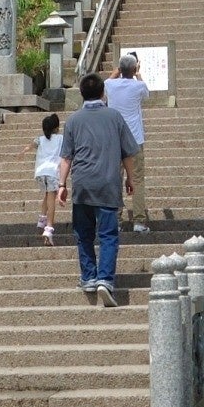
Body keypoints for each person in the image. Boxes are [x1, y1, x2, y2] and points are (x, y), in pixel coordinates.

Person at [60, 71, 139, 302]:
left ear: (82, 94)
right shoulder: (115, 117)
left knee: (83, 234)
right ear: (103, 93)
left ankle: (88, 277)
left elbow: (66, 158)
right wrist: (130, 179)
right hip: (107, 184)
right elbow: (128, 154)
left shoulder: (73, 120)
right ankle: (105, 279)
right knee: (108, 235)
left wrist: (62, 184)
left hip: (82, 184)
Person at [105, 51, 151, 232]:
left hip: (115, 139)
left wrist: (117, 71)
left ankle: (115, 219)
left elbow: (106, 82)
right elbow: (146, 93)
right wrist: (138, 73)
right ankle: (139, 221)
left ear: (120, 69)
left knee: (115, 179)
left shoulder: (110, 85)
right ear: (134, 68)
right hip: (135, 140)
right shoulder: (138, 86)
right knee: (137, 179)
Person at [32, 111, 66, 243]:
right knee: (52, 199)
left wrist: (23, 151)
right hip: (52, 173)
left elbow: (31, 145)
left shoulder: (40, 139)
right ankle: (49, 227)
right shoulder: (60, 138)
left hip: (40, 173)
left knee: (46, 194)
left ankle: (42, 218)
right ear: (56, 128)